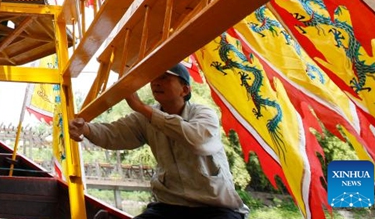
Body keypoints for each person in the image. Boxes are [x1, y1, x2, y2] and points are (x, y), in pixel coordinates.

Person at [69, 64, 248, 219]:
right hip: (169, 207)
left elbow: (197, 140)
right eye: (154, 78)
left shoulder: (204, 113)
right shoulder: (145, 118)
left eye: (164, 78)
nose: (156, 82)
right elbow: (114, 134)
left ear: (185, 89)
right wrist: (85, 129)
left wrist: (141, 108)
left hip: (215, 208)